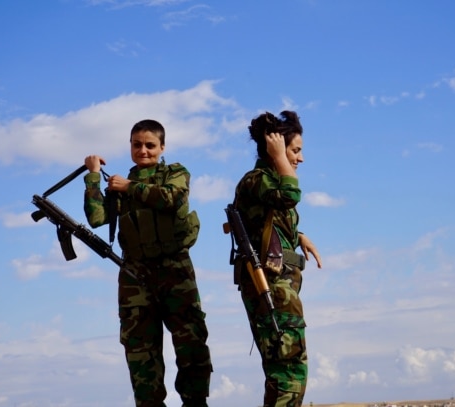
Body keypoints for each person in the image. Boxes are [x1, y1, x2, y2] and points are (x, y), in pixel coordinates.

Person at [83, 119, 212, 407]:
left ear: (161, 147)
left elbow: (173, 198)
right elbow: (97, 218)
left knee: (190, 345)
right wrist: (93, 176)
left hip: (175, 272)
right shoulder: (117, 186)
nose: (143, 150)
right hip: (135, 276)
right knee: (140, 352)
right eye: (137, 144)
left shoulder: (175, 173)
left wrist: (130, 187)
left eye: (150, 145)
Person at [231, 110, 322, 407]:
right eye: (296, 150)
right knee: (289, 369)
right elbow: (290, 195)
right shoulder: (258, 180)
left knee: (285, 368)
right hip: (271, 286)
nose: (300, 159)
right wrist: (282, 157)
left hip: (280, 286)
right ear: (277, 147)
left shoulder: (266, 183)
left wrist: (298, 235)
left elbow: (268, 220)